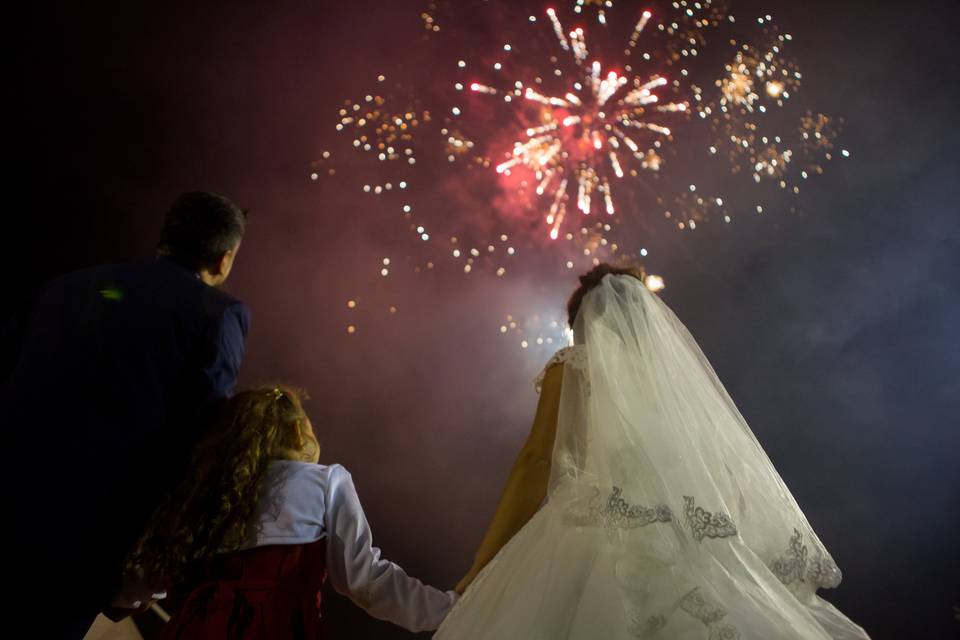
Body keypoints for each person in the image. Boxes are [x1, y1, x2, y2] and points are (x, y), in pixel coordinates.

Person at [438, 263, 871, 640]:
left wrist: (481, 565)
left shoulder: (573, 365)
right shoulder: (678, 387)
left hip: (587, 537)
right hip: (687, 536)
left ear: (580, 322)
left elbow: (537, 460)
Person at [1, 191, 251, 638]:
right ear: (223, 258)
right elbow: (203, 436)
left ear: (165, 239)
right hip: (85, 536)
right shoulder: (217, 313)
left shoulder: (66, 286)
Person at [118, 385, 455, 638]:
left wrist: (122, 599)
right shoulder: (324, 482)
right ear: (297, 430)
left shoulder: (204, 492)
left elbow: (147, 577)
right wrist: (447, 611)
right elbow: (366, 581)